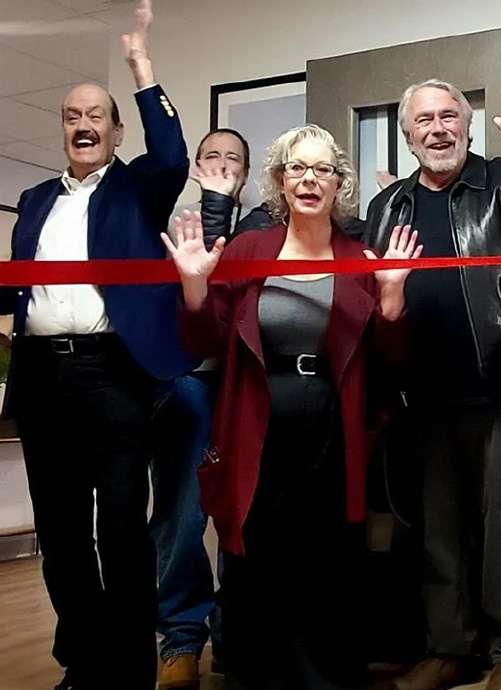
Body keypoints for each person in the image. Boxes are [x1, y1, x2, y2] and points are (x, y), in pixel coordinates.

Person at [164, 124, 419, 690]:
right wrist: (194, 289)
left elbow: (390, 361)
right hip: (257, 427)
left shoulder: (358, 255)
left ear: (338, 184)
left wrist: (394, 297)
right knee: (258, 561)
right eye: (297, 169)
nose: (309, 179)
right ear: (280, 181)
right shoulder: (249, 249)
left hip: (335, 426)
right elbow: (203, 342)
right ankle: (259, 674)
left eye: (322, 169)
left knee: (329, 561)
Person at [0, 1, 196, 687]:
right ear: (63, 131)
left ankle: (129, 668)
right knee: (59, 537)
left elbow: (172, 151)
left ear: (115, 132)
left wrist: (142, 67)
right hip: (42, 380)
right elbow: (22, 290)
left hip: (114, 375)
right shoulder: (31, 200)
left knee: (118, 528)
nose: (82, 124)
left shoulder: (139, 188)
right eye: (71, 116)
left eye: (95, 116)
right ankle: (82, 665)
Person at [364, 80, 501, 690]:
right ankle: (448, 648)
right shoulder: (389, 208)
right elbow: (375, 297)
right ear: (409, 136)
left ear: (467, 123)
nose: (438, 129)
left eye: (449, 116)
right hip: (424, 398)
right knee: (439, 532)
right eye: (424, 121)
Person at [152, 125, 252, 689]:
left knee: (243, 513)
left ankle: (236, 634)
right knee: (182, 515)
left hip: (245, 385)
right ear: (195, 167)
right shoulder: (173, 223)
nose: (221, 164)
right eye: (211, 156)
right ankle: (181, 642)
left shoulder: (266, 223)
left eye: (232, 158)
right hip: (187, 384)